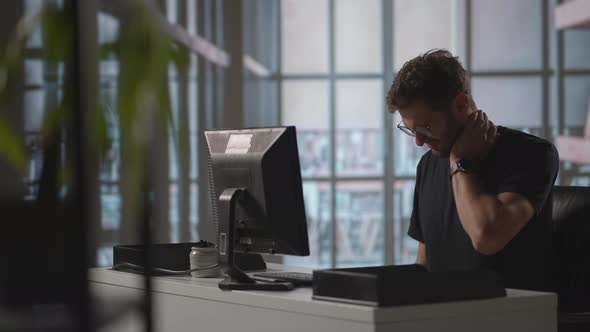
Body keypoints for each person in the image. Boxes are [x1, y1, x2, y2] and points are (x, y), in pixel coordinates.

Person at [386, 49, 559, 291]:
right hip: (443, 316)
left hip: (508, 317)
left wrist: (461, 162)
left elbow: (486, 237)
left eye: (425, 127)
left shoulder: (532, 154)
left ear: (461, 104)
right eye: (411, 130)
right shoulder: (427, 165)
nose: (419, 141)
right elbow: (426, 262)